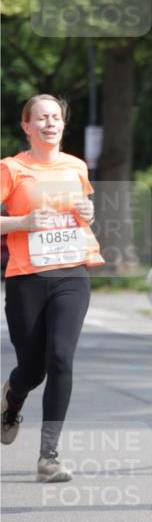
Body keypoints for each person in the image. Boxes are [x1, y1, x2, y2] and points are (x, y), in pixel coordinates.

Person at [0, 94, 103, 481]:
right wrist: (23, 222)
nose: (49, 123)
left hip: (71, 273)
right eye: (41, 118)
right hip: (27, 277)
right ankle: (12, 399)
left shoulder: (76, 166)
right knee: (33, 368)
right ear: (26, 126)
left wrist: (89, 212)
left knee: (61, 358)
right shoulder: (11, 168)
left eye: (55, 117)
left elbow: (84, 213)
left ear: (63, 124)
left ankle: (49, 456)